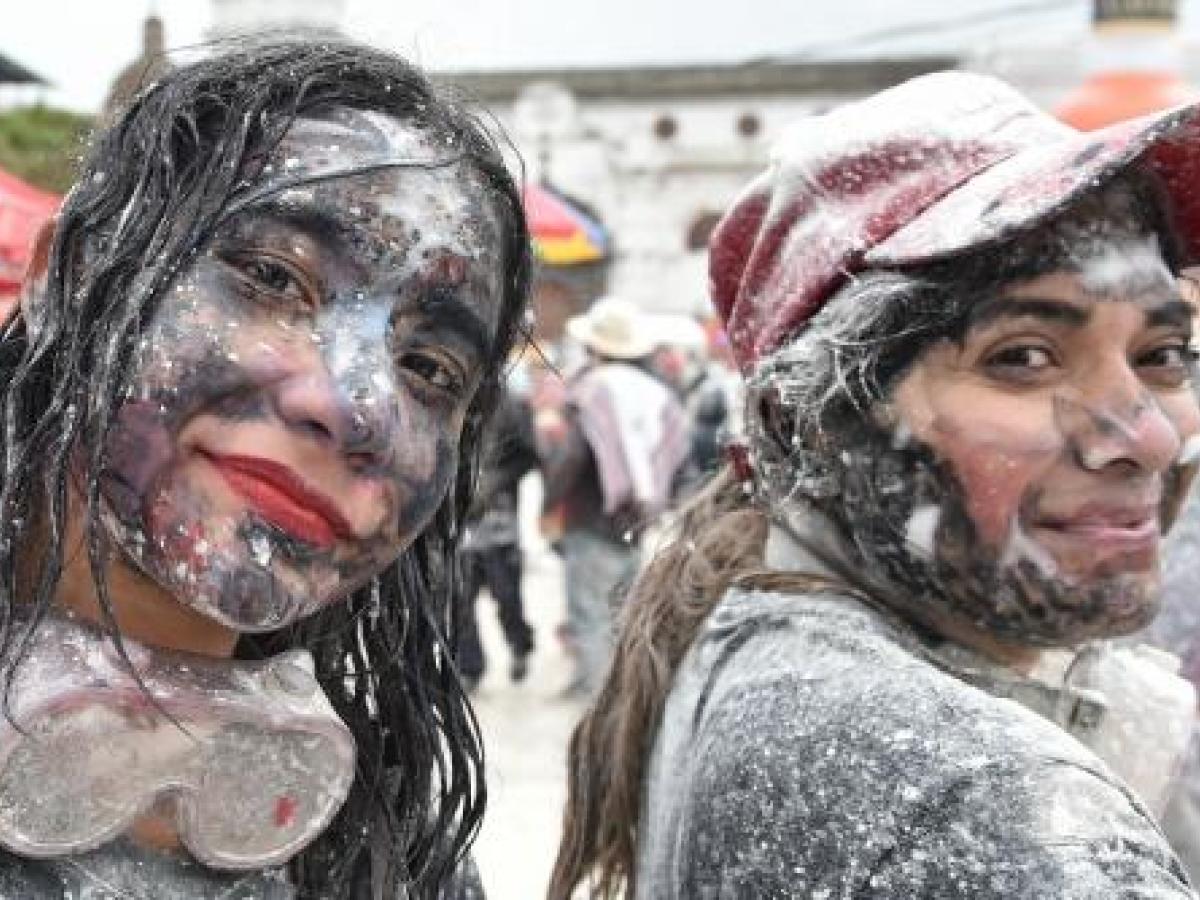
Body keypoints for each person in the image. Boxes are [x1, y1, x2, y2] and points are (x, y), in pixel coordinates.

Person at [549, 71, 1200, 899]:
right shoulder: (981, 811)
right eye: (1024, 357)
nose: (1145, 436)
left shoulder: (753, 636)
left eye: (1164, 356)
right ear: (803, 425)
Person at [0, 38, 530, 899]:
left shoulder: (384, 853)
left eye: (430, 369)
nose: (360, 406)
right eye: (274, 276)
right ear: (69, 272)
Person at [540, 297, 688, 698]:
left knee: (588, 616)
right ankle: (612, 691)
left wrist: (548, 503)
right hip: (635, 523)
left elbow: (571, 456)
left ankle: (598, 704)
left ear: (595, 345)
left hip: (590, 518)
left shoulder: (591, 390)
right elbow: (676, 456)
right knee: (621, 616)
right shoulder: (660, 396)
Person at [456, 377, 539, 690]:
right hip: (457, 524)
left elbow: (528, 455)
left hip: (499, 522)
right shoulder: (449, 396)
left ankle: (520, 646)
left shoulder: (512, 404)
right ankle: (470, 667)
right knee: (458, 599)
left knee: (507, 595)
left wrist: (494, 481)